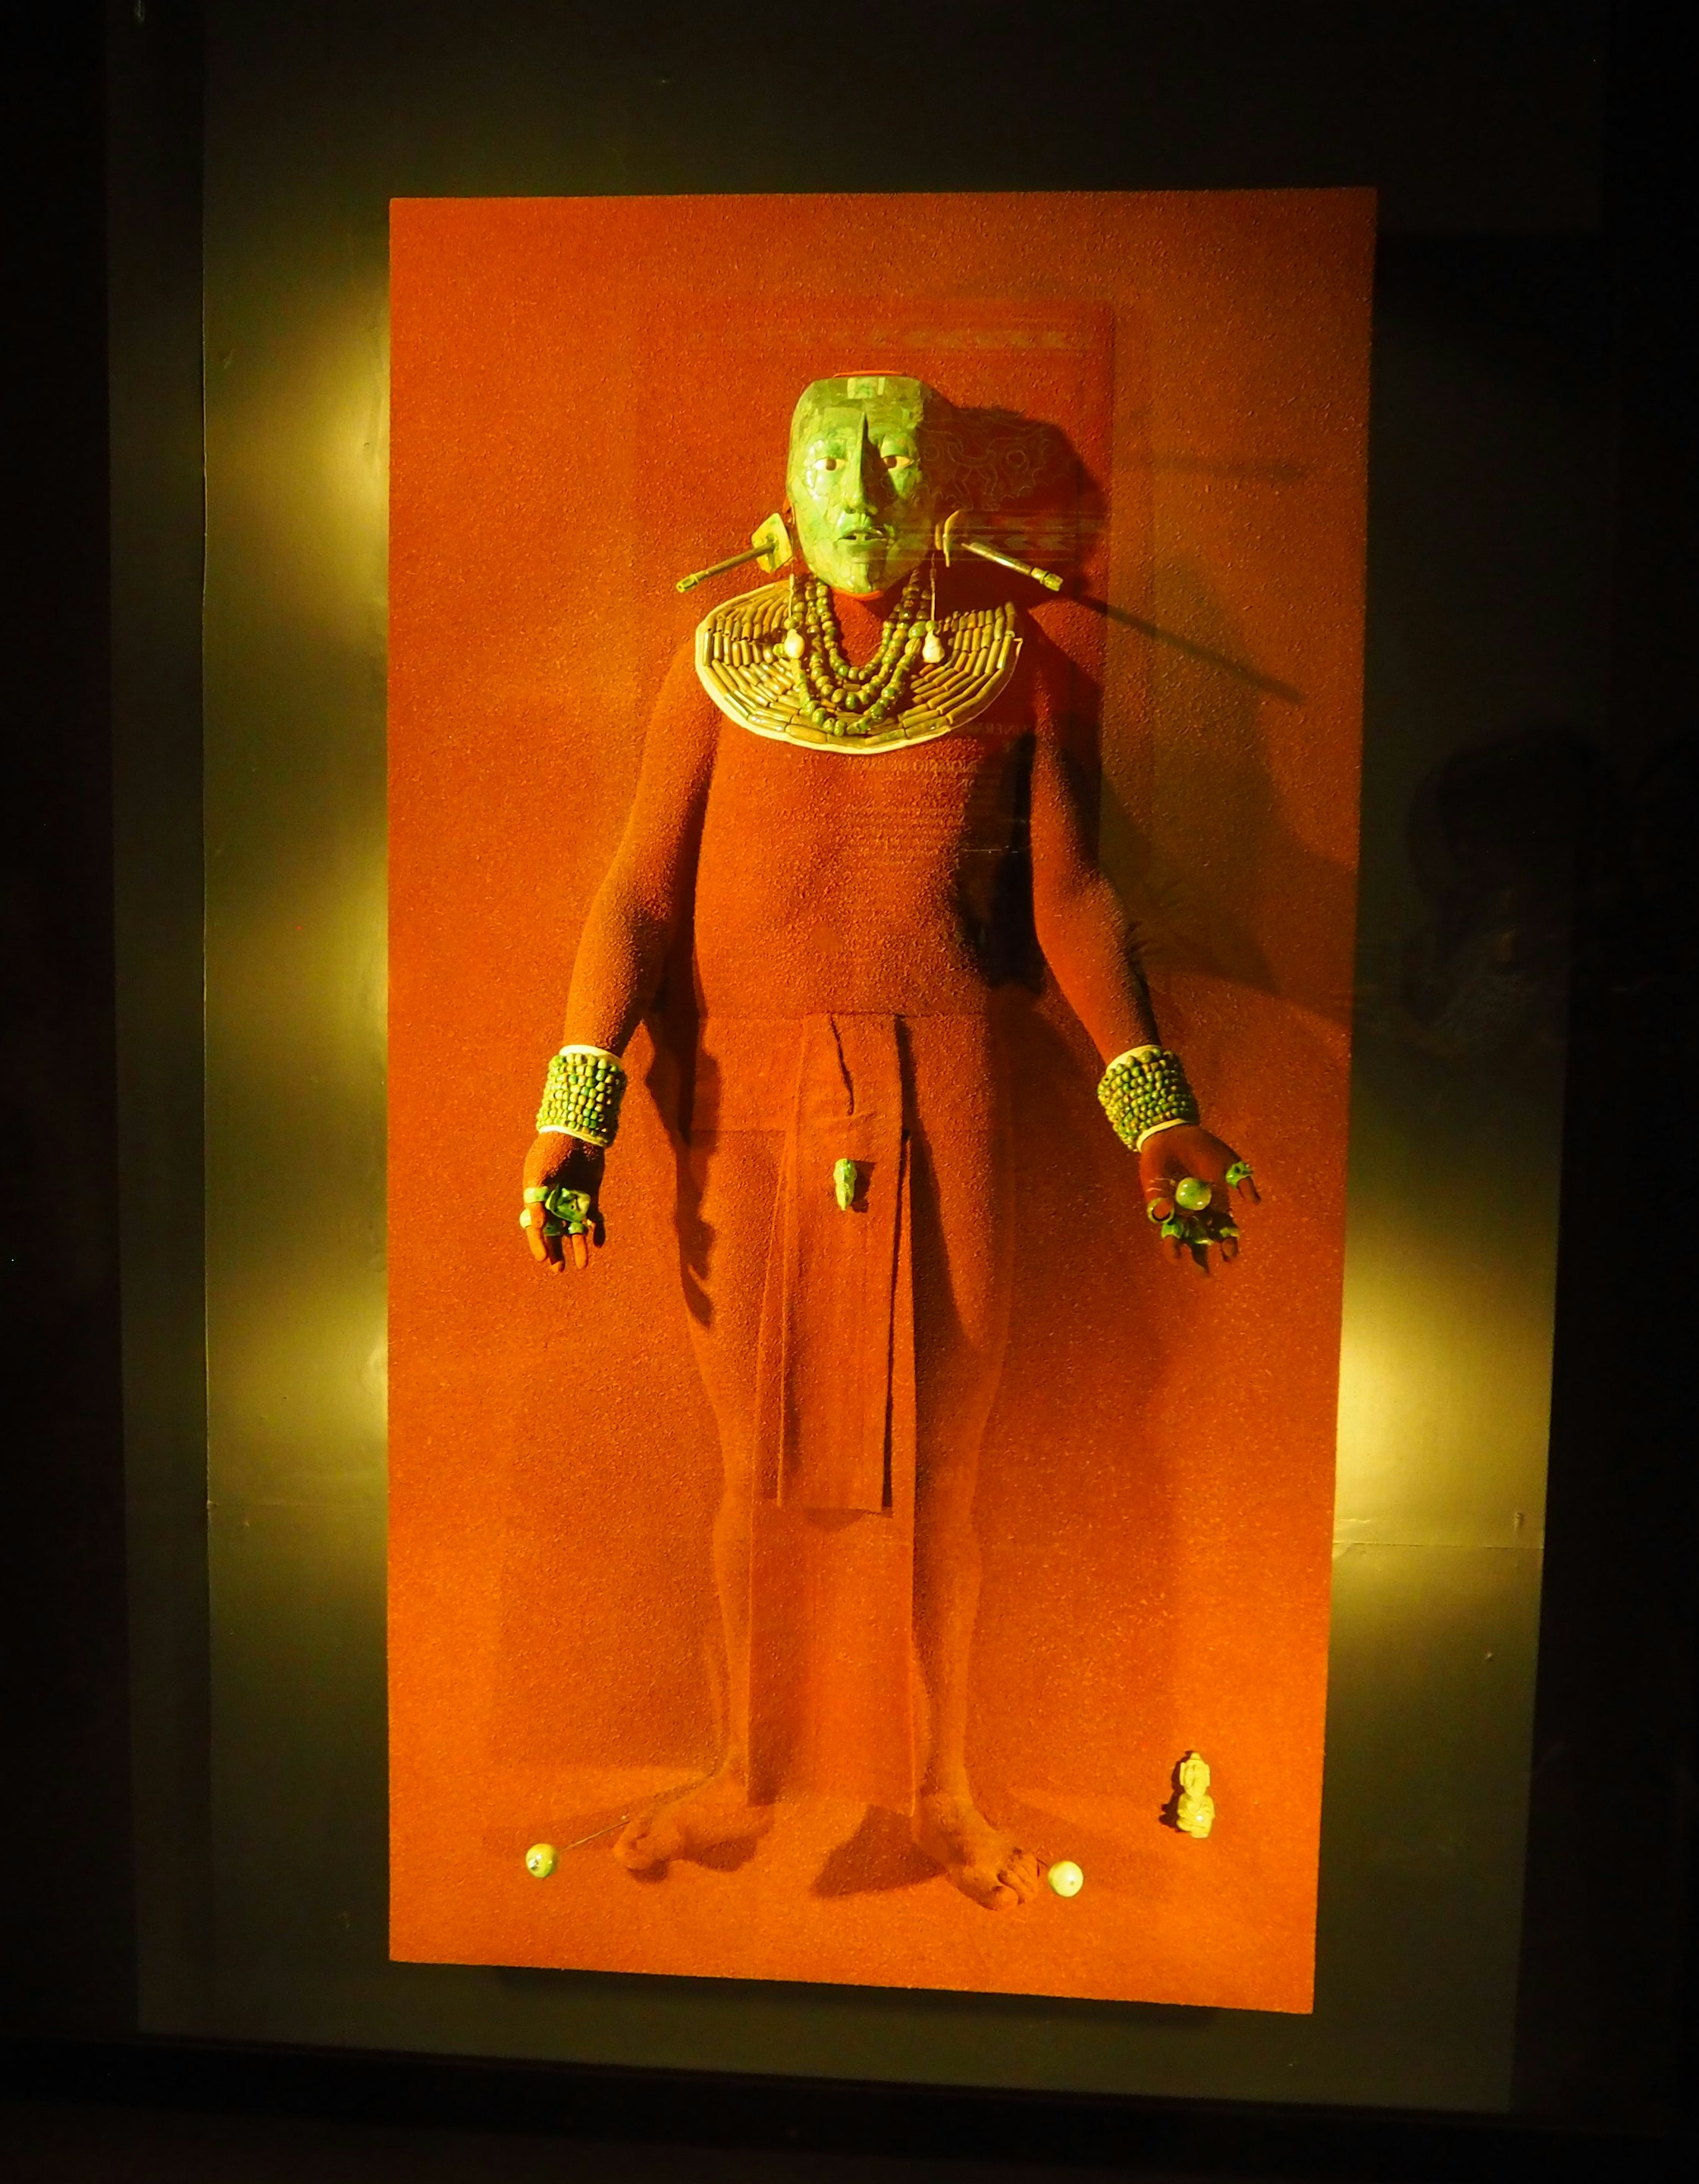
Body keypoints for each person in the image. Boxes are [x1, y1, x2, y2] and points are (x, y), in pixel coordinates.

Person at [516, 374, 1249, 1911]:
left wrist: (1154, 1106)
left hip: (951, 1094)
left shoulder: (1015, 670)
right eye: (827, 461)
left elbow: (1070, 906)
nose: (856, 490)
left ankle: (941, 1791)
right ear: (785, 485)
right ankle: (745, 1770)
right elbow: (639, 893)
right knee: (752, 1463)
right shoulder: (715, 660)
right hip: (739, 1096)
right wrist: (576, 1103)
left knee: (951, 1467)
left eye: (889, 462)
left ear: (941, 498)